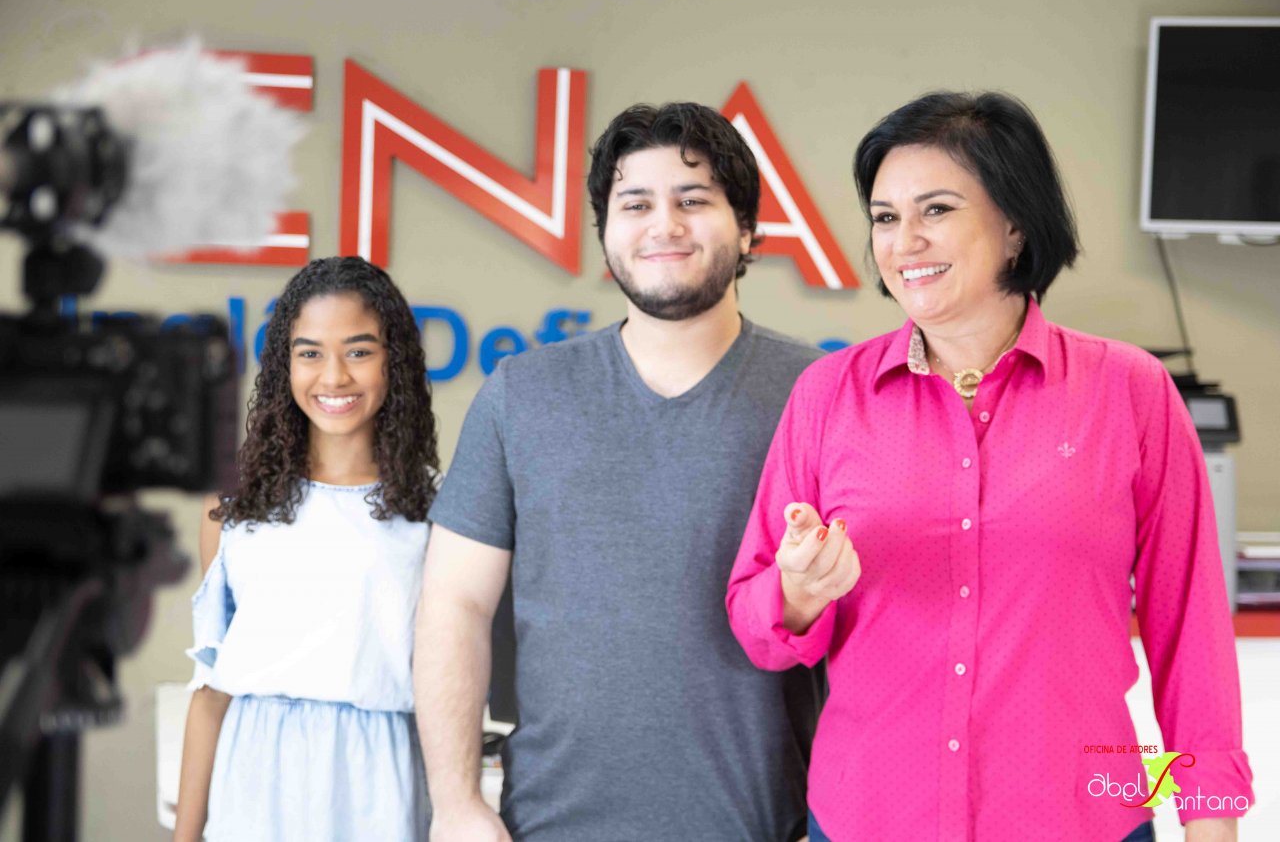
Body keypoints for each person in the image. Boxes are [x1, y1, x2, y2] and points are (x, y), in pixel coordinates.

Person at [726, 91, 1254, 842]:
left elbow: (1191, 629)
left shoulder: (1130, 391)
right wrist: (800, 591)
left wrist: (1210, 824)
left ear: (1014, 225)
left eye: (936, 210)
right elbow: (756, 619)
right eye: (885, 217)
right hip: (869, 817)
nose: (904, 241)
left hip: (1082, 816)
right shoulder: (828, 395)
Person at [416, 102, 824, 841]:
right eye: (636, 204)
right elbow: (454, 604)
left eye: (693, 200)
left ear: (747, 229)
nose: (664, 225)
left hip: (765, 826)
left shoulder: (818, 394)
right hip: (550, 826)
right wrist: (456, 803)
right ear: (607, 231)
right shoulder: (522, 394)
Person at [173, 256, 439, 842]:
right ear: (284, 364)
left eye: (359, 351)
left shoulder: (435, 511)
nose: (334, 377)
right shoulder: (234, 504)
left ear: (394, 359)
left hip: (380, 783)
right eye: (310, 352)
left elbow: (450, 688)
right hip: (252, 778)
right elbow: (212, 688)